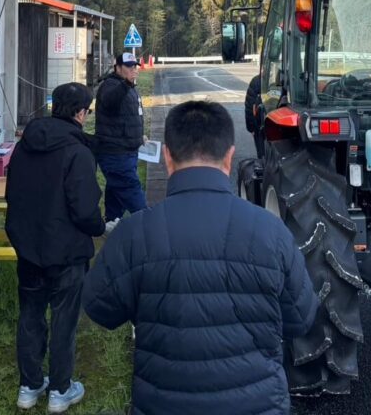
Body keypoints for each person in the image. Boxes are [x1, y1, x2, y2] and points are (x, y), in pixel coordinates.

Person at [83, 101, 317, 415]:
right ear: (230, 156)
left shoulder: (135, 233)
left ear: (167, 156)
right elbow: (300, 317)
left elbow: (99, 307)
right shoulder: (271, 231)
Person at [5, 82, 105, 413]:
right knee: (64, 321)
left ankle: (29, 385)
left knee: (30, 316)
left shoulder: (25, 145)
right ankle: (60, 389)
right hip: (67, 251)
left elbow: (12, 193)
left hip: (28, 247)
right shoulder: (78, 152)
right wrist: (99, 227)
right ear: (80, 113)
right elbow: (86, 209)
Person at [94, 52, 147, 233]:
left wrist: (140, 136)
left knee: (116, 193)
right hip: (115, 154)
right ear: (117, 67)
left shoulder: (129, 87)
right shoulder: (110, 86)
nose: (133, 70)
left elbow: (129, 117)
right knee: (133, 193)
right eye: (128, 67)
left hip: (127, 151)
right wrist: (126, 84)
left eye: (135, 67)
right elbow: (111, 102)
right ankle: (148, 228)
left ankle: (111, 224)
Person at [244, 73, 264, 160]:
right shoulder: (283, 78)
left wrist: (251, 128)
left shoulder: (257, 81)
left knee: (262, 155)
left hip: (260, 126)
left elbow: (250, 106)